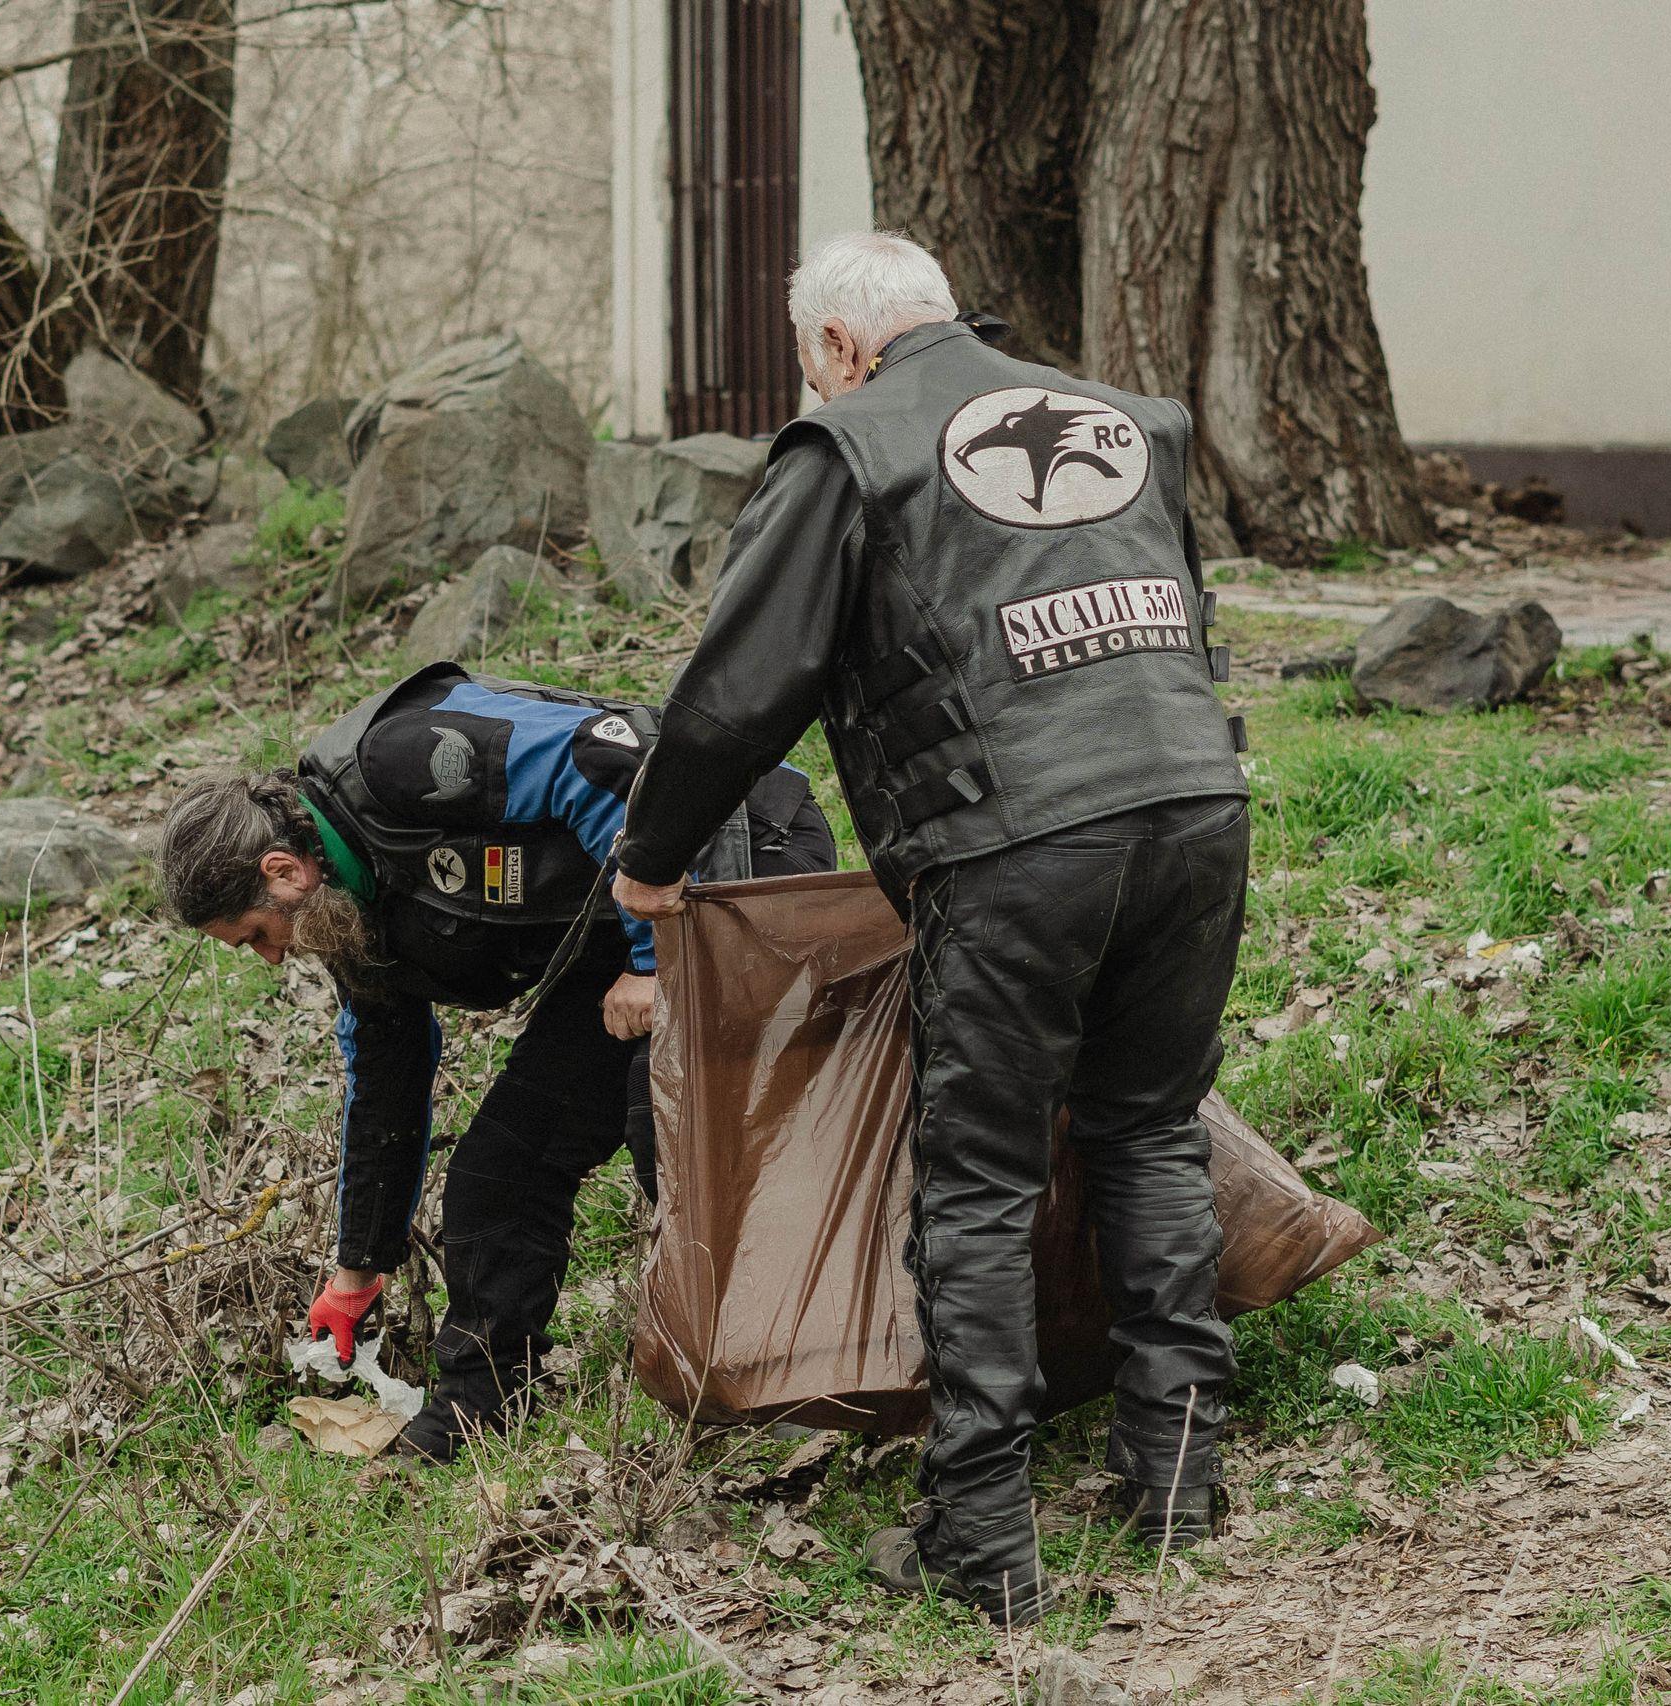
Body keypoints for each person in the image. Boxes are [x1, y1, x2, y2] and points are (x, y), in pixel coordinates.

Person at [610, 231, 1252, 1624]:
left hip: (1020, 843)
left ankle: (980, 1531)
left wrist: (651, 862)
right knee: (1148, 1127)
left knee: (979, 1179)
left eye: (811, 366)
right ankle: (1179, 1470)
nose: (814, 385)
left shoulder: (847, 449)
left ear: (841, 348)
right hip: (1200, 803)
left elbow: (740, 684)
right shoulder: (1132, 422)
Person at [161, 662, 835, 1463]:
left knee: (671, 1125)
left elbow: (614, 762)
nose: (272, 960)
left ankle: (789, 1380)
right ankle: (477, 1415)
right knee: (498, 1173)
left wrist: (659, 964)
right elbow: (387, 1080)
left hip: (738, 845)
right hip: (618, 933)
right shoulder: (346, 917)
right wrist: (359, 1267)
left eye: (255, 936)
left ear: (282, 872)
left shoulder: (404, 762)